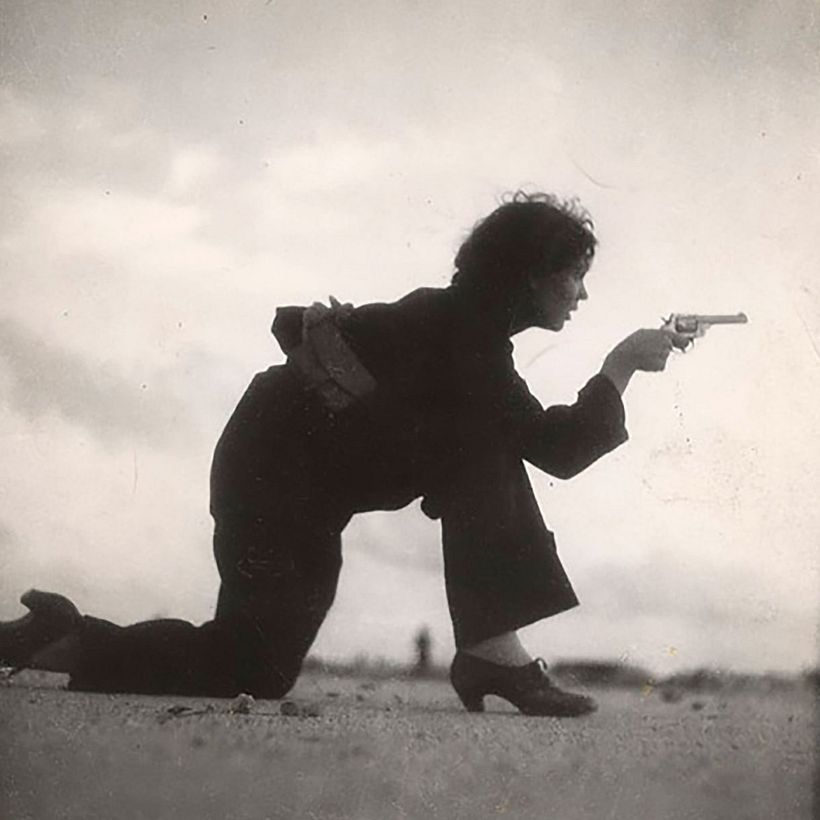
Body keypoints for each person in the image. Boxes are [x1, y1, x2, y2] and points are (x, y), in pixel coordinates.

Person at [0, 192, 687, 716]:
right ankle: (492, 656)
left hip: (289, 481)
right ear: (530, 275)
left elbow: (312, 337)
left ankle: (56, 639)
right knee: (251, 668)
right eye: (573, 275)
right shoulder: (465, 334)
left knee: (254, 667)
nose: (582, 293)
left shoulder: (460, 323)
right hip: (271, 484)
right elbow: (556, 450)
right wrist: (621, 365)